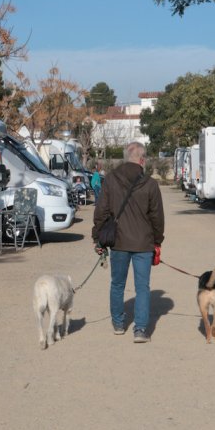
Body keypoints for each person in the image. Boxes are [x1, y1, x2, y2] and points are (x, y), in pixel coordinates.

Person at [92, 142, 164, 343]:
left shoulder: (111, 180)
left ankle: (118, 323)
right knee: (142, 287)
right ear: (142, 160)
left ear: (126, 157)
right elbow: (157, 218)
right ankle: (140, 329)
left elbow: (101, 212)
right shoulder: (150, 184)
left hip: (119, 242)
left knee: (117, 284)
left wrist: (97, 237)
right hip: (144, 243)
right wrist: (157, 241)